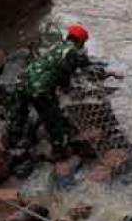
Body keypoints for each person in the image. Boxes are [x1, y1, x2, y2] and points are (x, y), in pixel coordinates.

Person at [7, 25, 91, 155]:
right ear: (80, 42)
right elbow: (65, 70)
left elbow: (52, 64)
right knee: (51, 116)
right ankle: (59, 147)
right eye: (83, 43)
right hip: (39, 89)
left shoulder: (57, 45)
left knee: (19, 111)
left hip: (22, 80)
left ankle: (12, 137)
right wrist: (65, 85)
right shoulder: (71, 51)